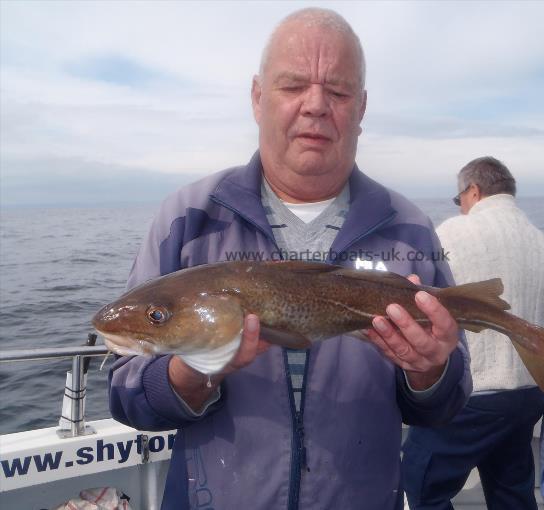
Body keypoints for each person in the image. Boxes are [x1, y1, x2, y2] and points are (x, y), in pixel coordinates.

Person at [108, 8, 472, 510]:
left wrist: (429, 373)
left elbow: (448, 402)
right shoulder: (187, 219)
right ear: (258, 98)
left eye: (339, 92)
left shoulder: (408, 227)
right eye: (293, 85)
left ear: (361, 108)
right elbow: (125, 395)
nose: (316, 105)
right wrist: (190, 374)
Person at [402, 156, 544, 509]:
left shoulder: (451, 233)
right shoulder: (542, 242)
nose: (460, 206)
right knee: (512, 493)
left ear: (473, 191)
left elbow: (414, 302)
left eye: (458, 198)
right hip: (527, 397)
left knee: (419, 486)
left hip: (470, 396)